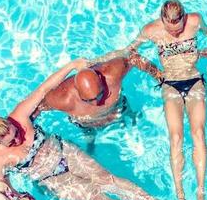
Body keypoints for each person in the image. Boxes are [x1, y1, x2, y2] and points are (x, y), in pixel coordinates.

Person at [0, 59, 173, 200]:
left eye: (16, 132)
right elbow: (3, 190)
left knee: (108, 180)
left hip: (66, 152)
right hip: (51, 179)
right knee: (97, 198)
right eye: (12, 142)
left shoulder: (20, 116)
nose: (19, 138)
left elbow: (43, 90)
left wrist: (72, 66)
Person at [125, 0, 207, 200]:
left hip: (194, 80)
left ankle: (200, 193)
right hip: (170, 84)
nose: (175, 33)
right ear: (162, 20)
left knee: (198, 133)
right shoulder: (151, 30)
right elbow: (130, 52)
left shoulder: (195, 21)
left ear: (184, 18)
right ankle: (181, 198)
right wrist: (154, 71)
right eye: (170, 30)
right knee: (176, 138)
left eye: (178, 29)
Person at [32, 52, 163, 148]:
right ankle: (91, 144)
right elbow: (36, 108)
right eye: (89, 100)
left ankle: (131, 125)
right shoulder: (63, 98)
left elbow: (135, 58)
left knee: (130, 117)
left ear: (101, 80)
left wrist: (161, 78)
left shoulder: (112, 73)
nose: (96, 103)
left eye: (100, 95)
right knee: (89, 140)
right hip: (87, 124)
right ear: (77, 92)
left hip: (118, 108)